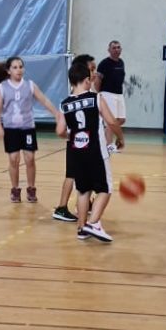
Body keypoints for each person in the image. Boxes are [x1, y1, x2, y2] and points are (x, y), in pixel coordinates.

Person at [0, 56, 66, 204]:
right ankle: (15, 189)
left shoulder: (30, 85)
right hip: (11, 129)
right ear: (9, 71)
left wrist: (57, 114)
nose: (19, 70)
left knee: (30, 158)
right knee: (14, 159)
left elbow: (43, 100)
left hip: (27, 127)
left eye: (20, 67)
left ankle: (31, 188)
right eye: (15, 67)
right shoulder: (3, 87)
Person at [61, 56, 119, 243]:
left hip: (77, 153)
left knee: (83, 191)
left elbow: (60, 131)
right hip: (96, 152)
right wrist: (121, 138)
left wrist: (72, 136)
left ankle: (81, 228)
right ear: (87, 80)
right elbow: (111, 121)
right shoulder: (96, 98)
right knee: (106, 189)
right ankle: (93, 224)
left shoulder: (65, 104)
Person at [53, 53, 96, 222]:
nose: (94, 72)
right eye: (92, 69)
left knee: (73, 174)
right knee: (82, 174)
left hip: (75, 141)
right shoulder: (89, 96)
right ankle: (72, 206)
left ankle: (71, 205)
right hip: (84, 142)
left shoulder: (77, 94)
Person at [96, 40, 127, 152]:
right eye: (114, 48)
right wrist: (99, 94)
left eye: (118, 47)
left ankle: (102, 140)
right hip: (107, 94)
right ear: (109, 50)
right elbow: (97, 80)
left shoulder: (121, 62)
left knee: (121, 119)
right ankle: (108, 145)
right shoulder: (104, 63)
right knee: (111, 121)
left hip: (119, 94)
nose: (116, 50)